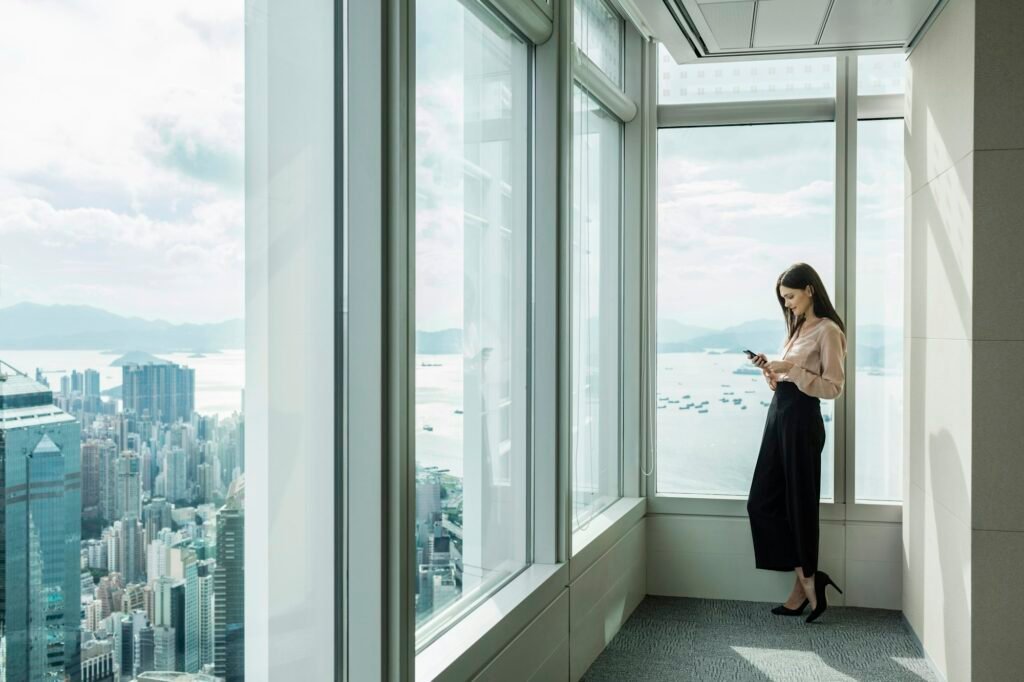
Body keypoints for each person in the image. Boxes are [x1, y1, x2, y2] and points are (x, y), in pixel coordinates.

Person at [746, 262, 847, 623]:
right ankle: (808, 579)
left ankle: (804, 584)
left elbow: (833, 387)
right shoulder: (798, 327)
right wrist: (771, 373)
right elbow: (786, 378)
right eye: (783, 298)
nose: (787, 303)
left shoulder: (828, 331)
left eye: (790, 296)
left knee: (800, 505)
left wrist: (793, 370)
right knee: (761, 502)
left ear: (809, 290)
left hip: (803, 420)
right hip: (779, 414)